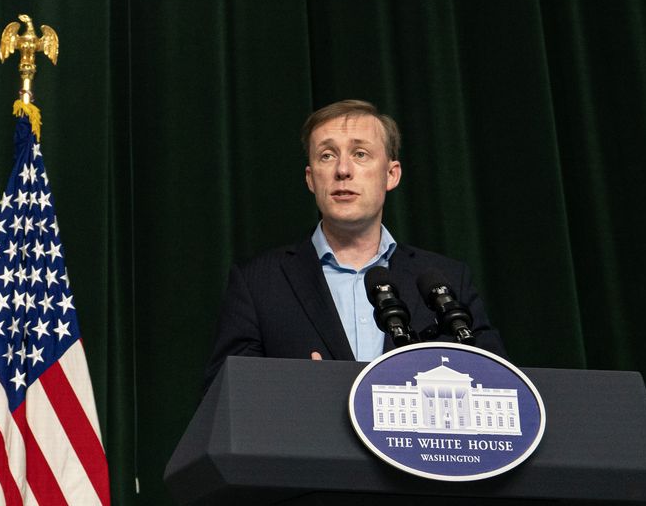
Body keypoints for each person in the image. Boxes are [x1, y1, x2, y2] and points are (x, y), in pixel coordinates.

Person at [203, 99, 504, 390]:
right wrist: (294, 392)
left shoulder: (446, 281)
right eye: (327, 156)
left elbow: (499, 385)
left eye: (360, 154)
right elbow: (225, 399)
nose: (342, 170)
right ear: (311, 179)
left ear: (391, 174)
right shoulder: (258, 284)